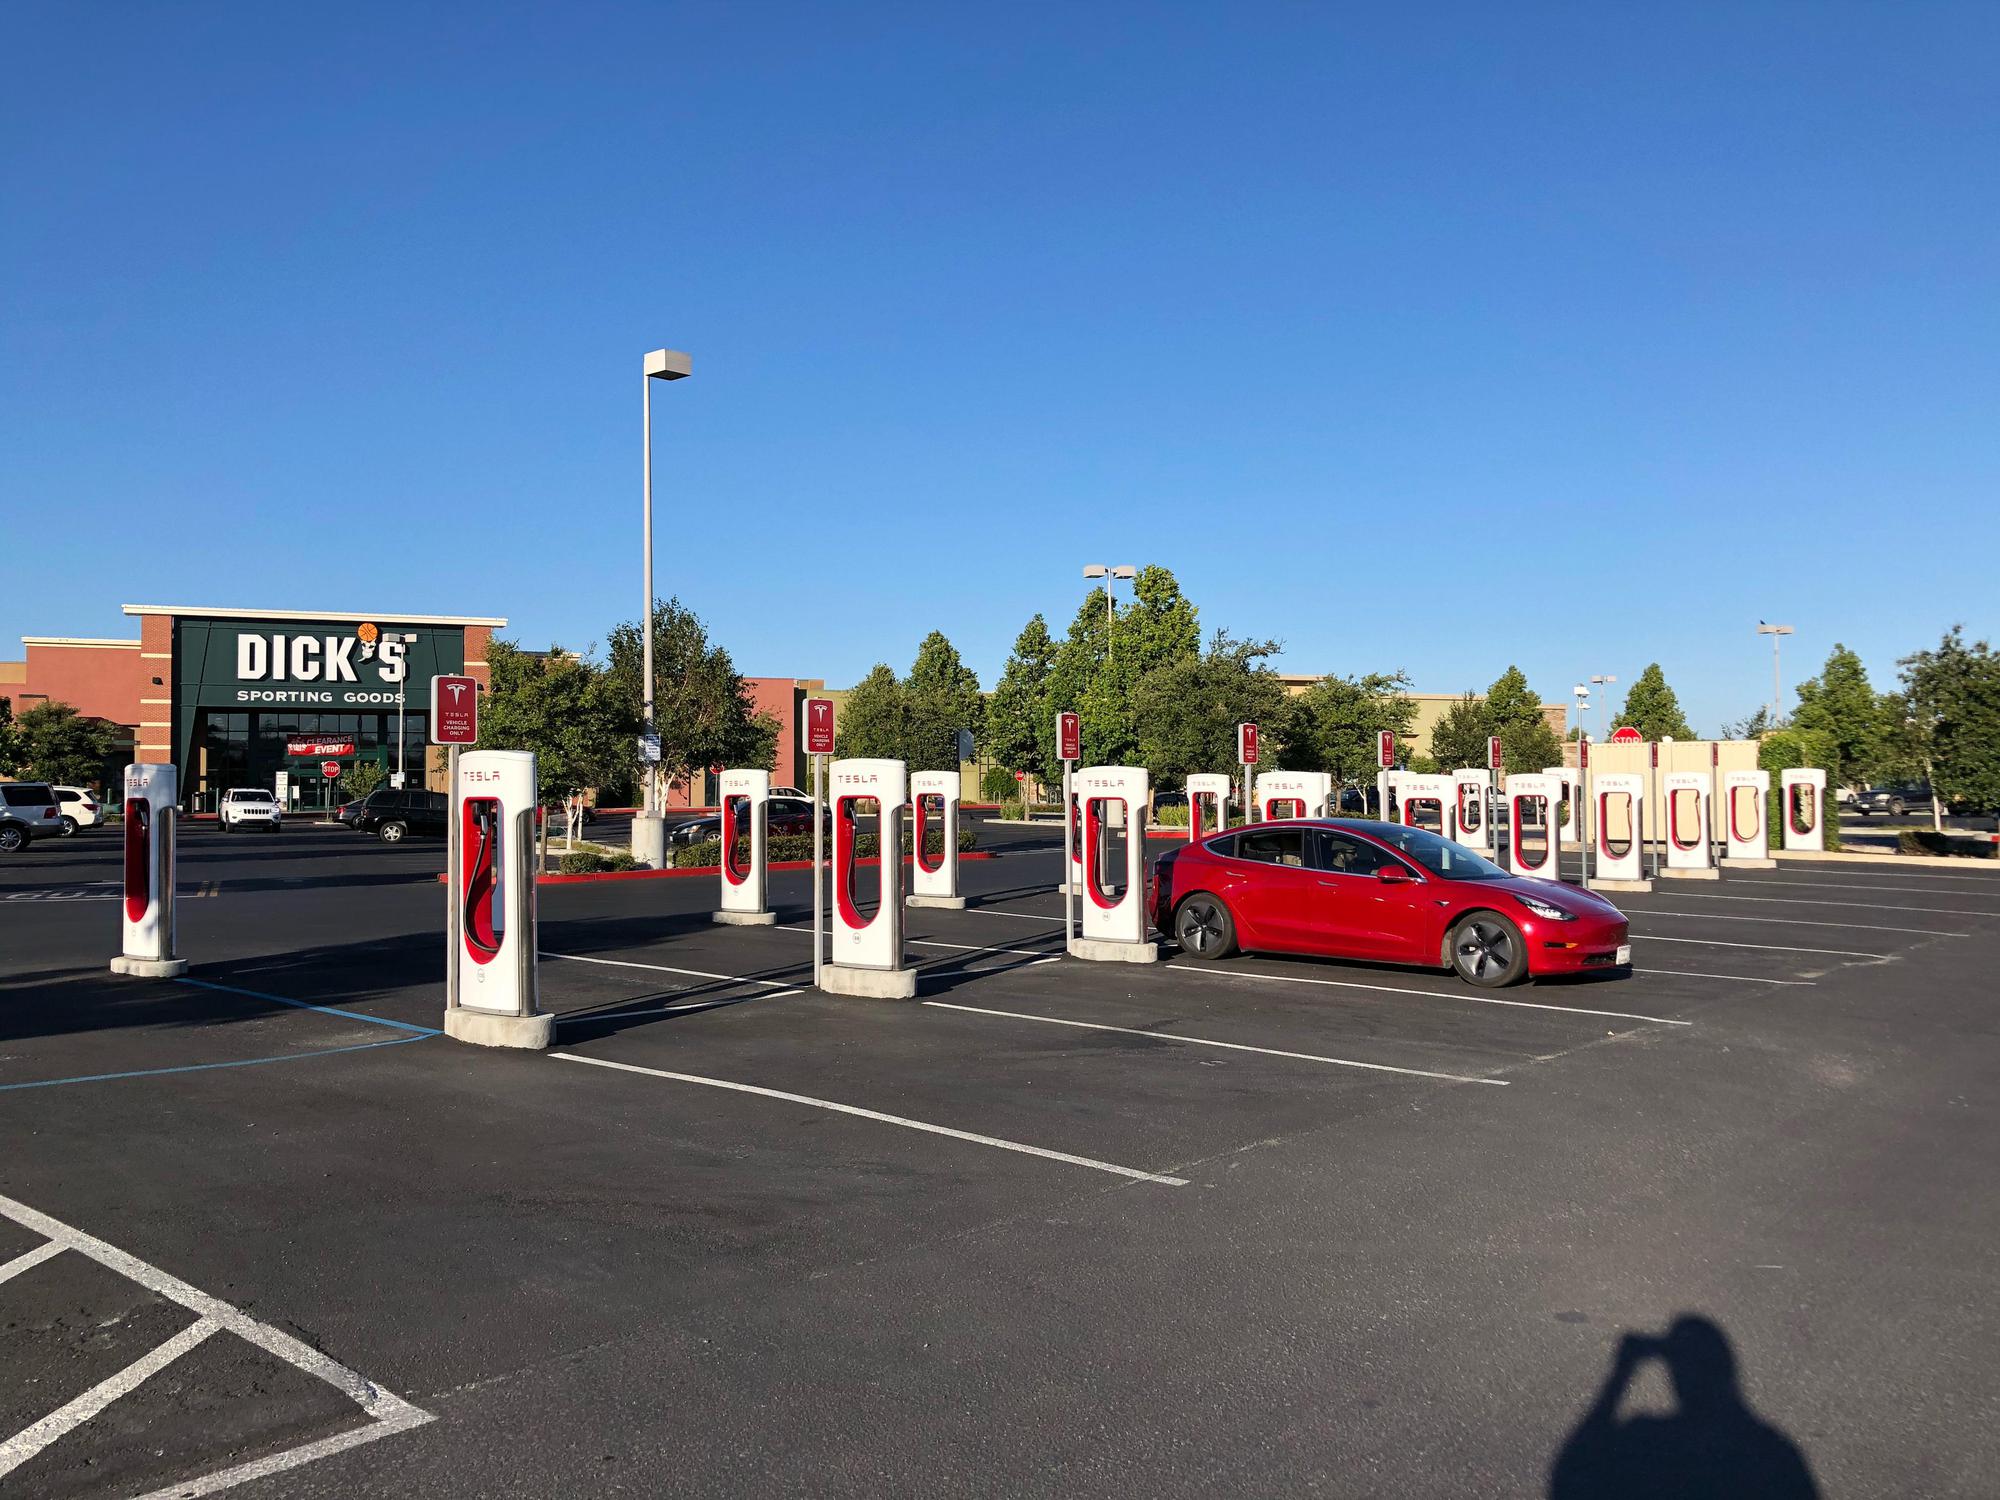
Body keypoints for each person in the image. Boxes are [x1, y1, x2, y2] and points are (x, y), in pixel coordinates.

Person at [1550, 1316, 1818, 1499]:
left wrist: (1622, 1373)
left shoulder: (1649, 1441)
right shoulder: (1773, 1453)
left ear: (1674, 1376)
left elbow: (1571, 1476)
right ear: (1727, 1374)